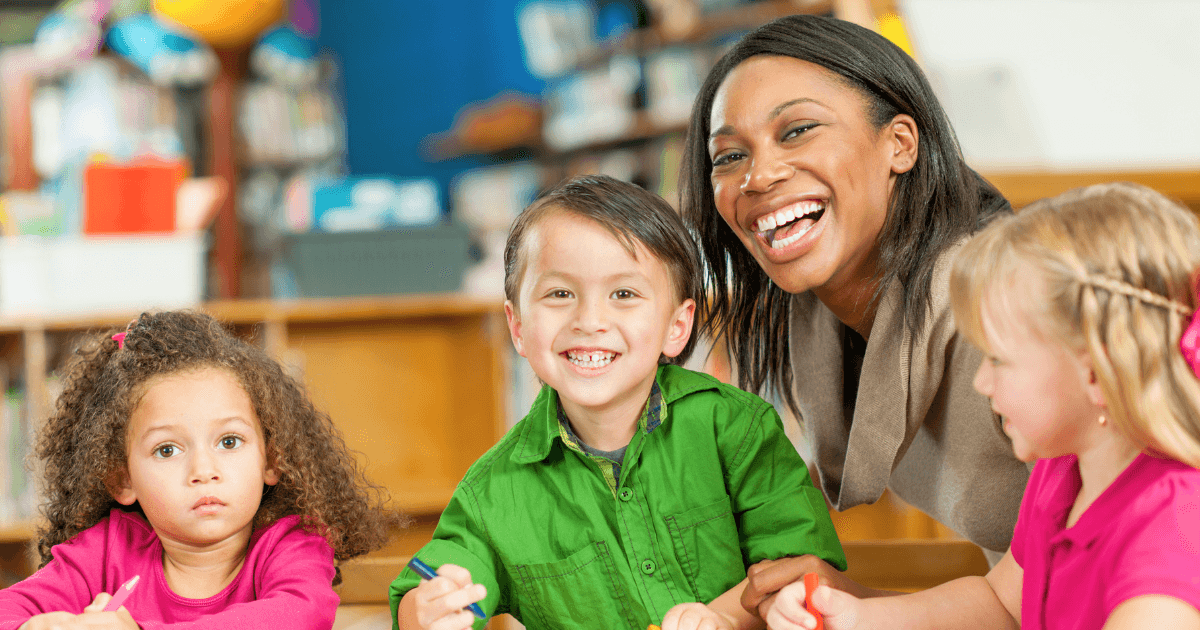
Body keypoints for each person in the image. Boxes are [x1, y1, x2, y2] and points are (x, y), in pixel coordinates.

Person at [678, 12, 1031, 607]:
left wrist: (860, 607)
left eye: (796, 131)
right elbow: (1020, 593)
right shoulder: (819, 331)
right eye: (728, 156)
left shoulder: (1008, 305)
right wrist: (845, 599)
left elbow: (1089, 563)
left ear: (899, 144)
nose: (758, 175)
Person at [388, 175, 845, 630]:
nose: (590, 320)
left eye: (623, 294)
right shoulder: (492, 492)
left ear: (677, 326)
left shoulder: (738, 429)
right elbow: (431, 582)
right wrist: (423, 611)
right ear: (519, 326)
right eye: (560, 294)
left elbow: (801, 566)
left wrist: (723, 619)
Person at [766, 182, 1200, 630]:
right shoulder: (1065, 472)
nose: (981, 381)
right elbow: (1002, 602)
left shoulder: (1170, 534)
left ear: (1096, 371)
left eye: (998, 359)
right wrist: (858, 617)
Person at [0, 310, 396, 630]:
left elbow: (298, 616)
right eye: (167, 449)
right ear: (122, 479)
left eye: (228, 442)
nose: (203, 471)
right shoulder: (103, 552)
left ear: (272, 461)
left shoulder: (292, 542)